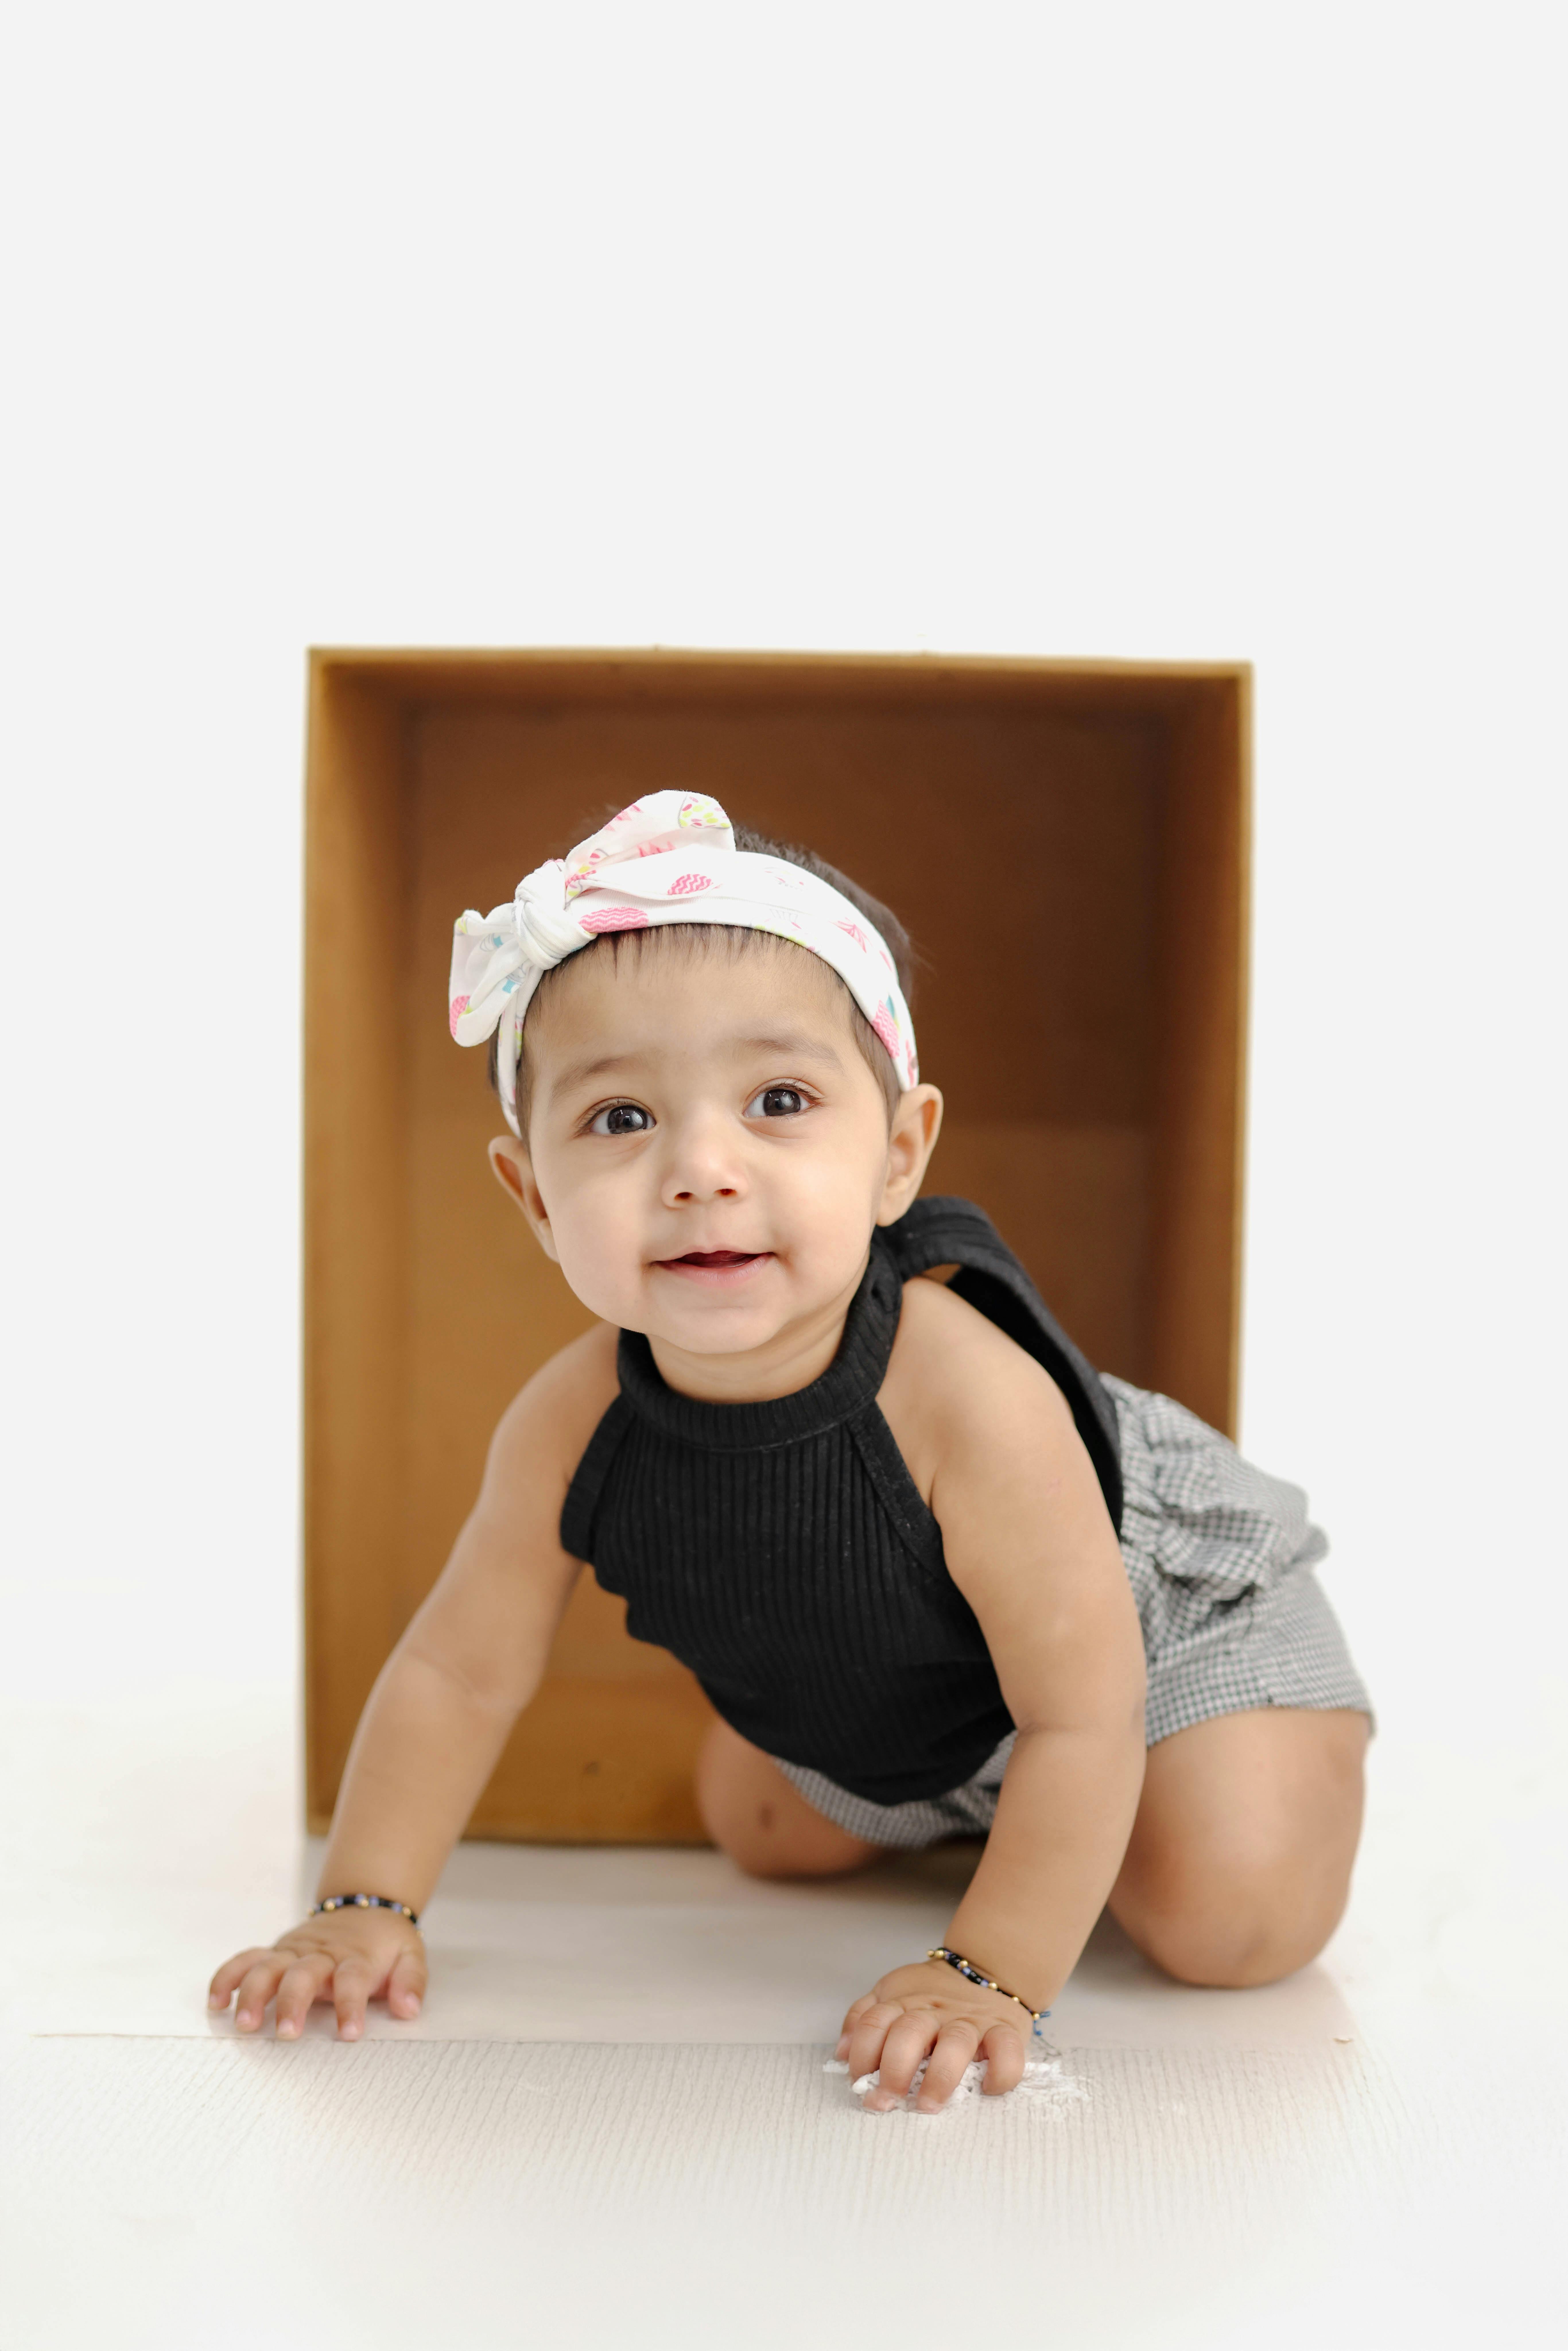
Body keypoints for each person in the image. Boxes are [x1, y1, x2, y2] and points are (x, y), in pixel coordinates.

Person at [209, 792, 1372, 2111]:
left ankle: (1144, 1805)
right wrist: (362, 1901)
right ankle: (981, 1809)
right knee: (761, 1834)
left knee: (1230, 1920)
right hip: (925, 1688)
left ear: (897, 1152)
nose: (702, 1167)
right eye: (619, 1120)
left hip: (1152, 1648)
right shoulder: (570, 1418)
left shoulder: (967, 1397)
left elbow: (1079, 1706)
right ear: (532, 1193)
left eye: (777, 1100)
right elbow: (455, 1670)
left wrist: (989, 1970)